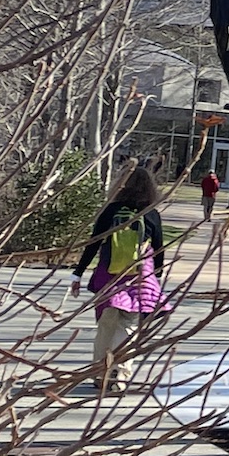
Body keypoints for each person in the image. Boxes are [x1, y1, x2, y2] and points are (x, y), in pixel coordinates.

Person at [71, 165, 168, 391]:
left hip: (109, 275)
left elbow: (94, 243)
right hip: (138, 277)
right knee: (128, 325)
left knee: (106, 323)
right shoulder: (151, 213)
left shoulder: (111, 210)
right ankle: (120, 373)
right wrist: (157, 275)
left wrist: (78, 272)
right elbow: (159, 248)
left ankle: (100, 372)